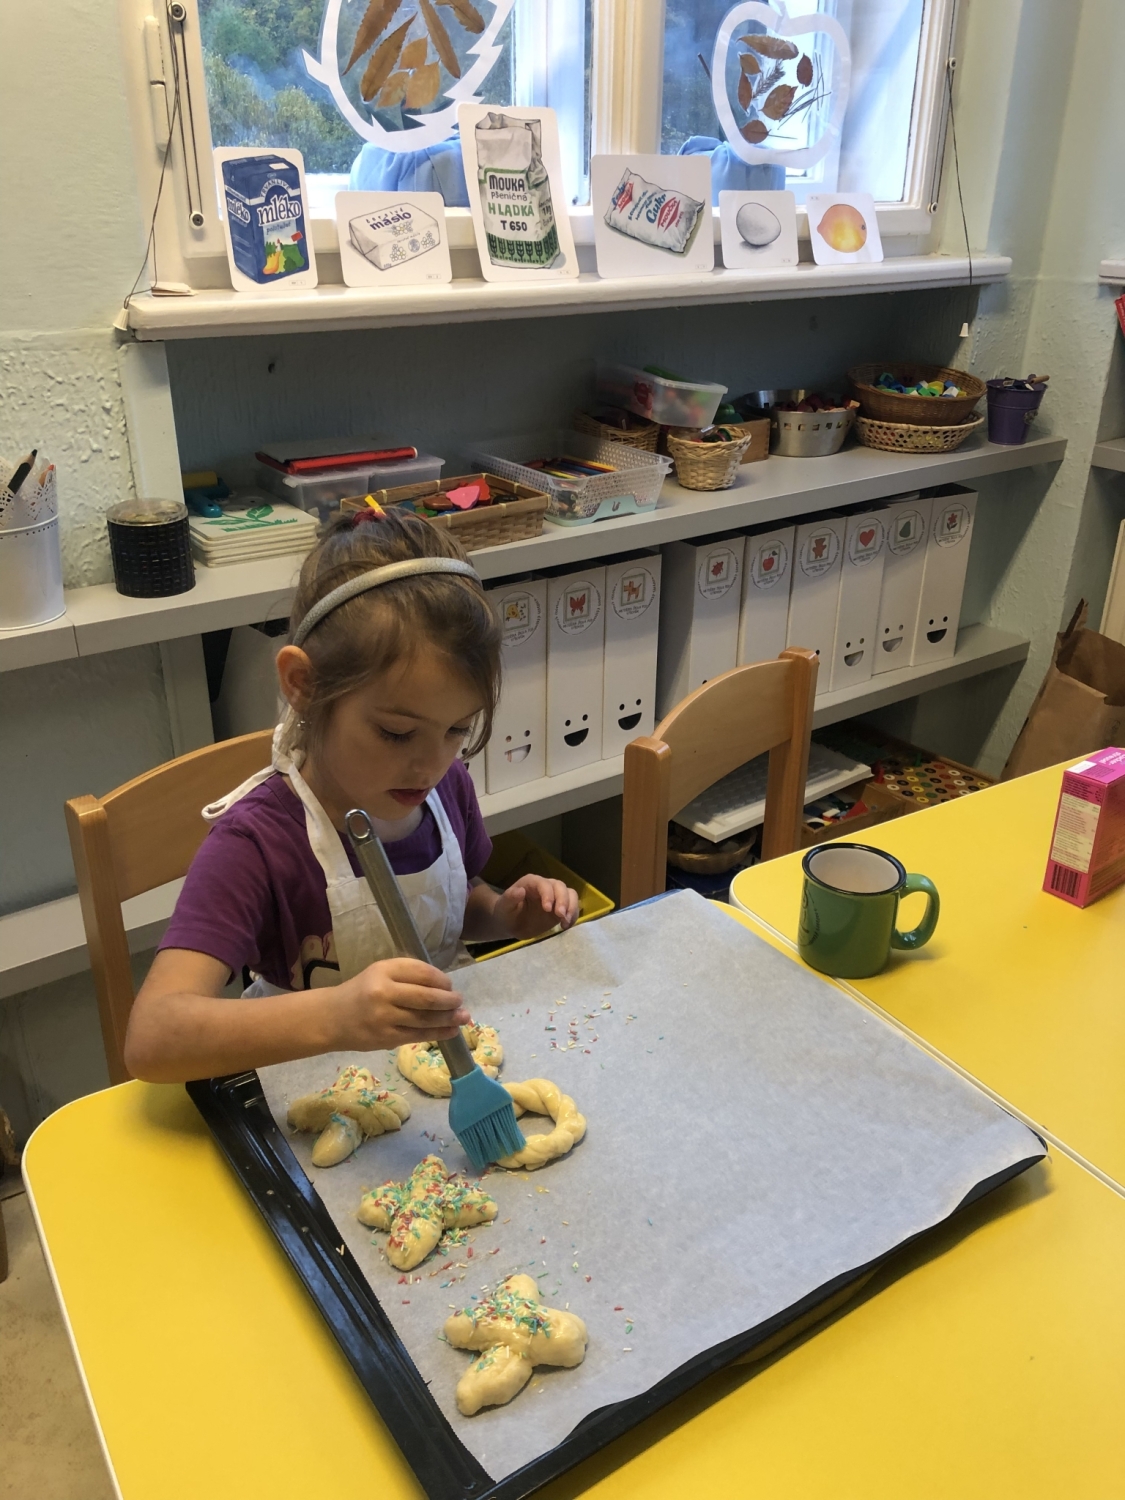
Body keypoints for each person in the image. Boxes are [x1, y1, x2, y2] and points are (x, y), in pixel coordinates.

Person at [125, 506, 579, 1083]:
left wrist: (503, 914)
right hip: (306, 1091)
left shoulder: (444, 790)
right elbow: (153, 1038)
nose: (431, 764)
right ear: (304, 685)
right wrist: (338, 1015)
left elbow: (448, 911)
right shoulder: (256, 844)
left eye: (457, 730)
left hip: (436, 1077)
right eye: (396, 732)